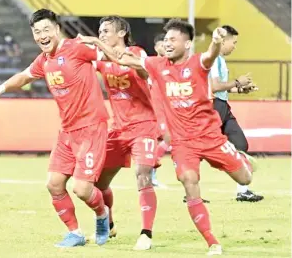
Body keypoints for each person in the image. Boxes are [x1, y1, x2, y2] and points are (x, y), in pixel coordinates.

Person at [89, 19, 255, 256]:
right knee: (189, 181)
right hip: (182, 142)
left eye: (172, 40)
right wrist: (97, 43)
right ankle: (212, 242)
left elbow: (210, 54)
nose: (167, 44)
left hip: (209, 137)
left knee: (245, 179)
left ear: (187, 44)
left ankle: (243, 161)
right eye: (165, 40)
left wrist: (217, 42)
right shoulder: (156, 64)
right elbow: (122, 59)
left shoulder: (198, 62)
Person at [0, 9, 111, 248]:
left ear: (57, 29)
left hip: (92, 127)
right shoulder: (44, 60)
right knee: (53, 184)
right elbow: (23, 77)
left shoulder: (76, 48)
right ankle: (75, 233)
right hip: (67, 131)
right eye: (37, 32)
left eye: (46, 30)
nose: (42, 35)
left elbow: (109, 57)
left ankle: (103, 216)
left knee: (82, 189)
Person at [84, 16, 158, 250]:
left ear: (122, 32)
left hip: (144, 125)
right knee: (96, 182)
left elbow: (131, 63)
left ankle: (146, 233)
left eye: (106, 30)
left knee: (143, 174)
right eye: (100, 30)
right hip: (118, 129)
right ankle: (110, 222)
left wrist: (96, 42)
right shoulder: (102, 60)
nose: (102, 33)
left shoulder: (137, 53)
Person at [209, 25, 263, 202]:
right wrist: (237, 82)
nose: (234, 46)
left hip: (223, 106)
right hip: (213, 107)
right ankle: (191, 192)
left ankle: (243, 191)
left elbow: (221, 89)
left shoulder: (221, 61)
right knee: (200, 149)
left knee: (240, 143)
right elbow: (215, 87)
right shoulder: (214, 58)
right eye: (234, 42)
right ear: (223, 40)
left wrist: (240, 89)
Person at [148, 33, 170, 187]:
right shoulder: (152, 63)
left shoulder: (170, 64)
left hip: (168, 107)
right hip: (157, 106)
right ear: (156, 47)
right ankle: (151, 171)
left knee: (160, 140)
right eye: (163, 44)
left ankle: (150, 173)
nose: (166, 47)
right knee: (168, 138)